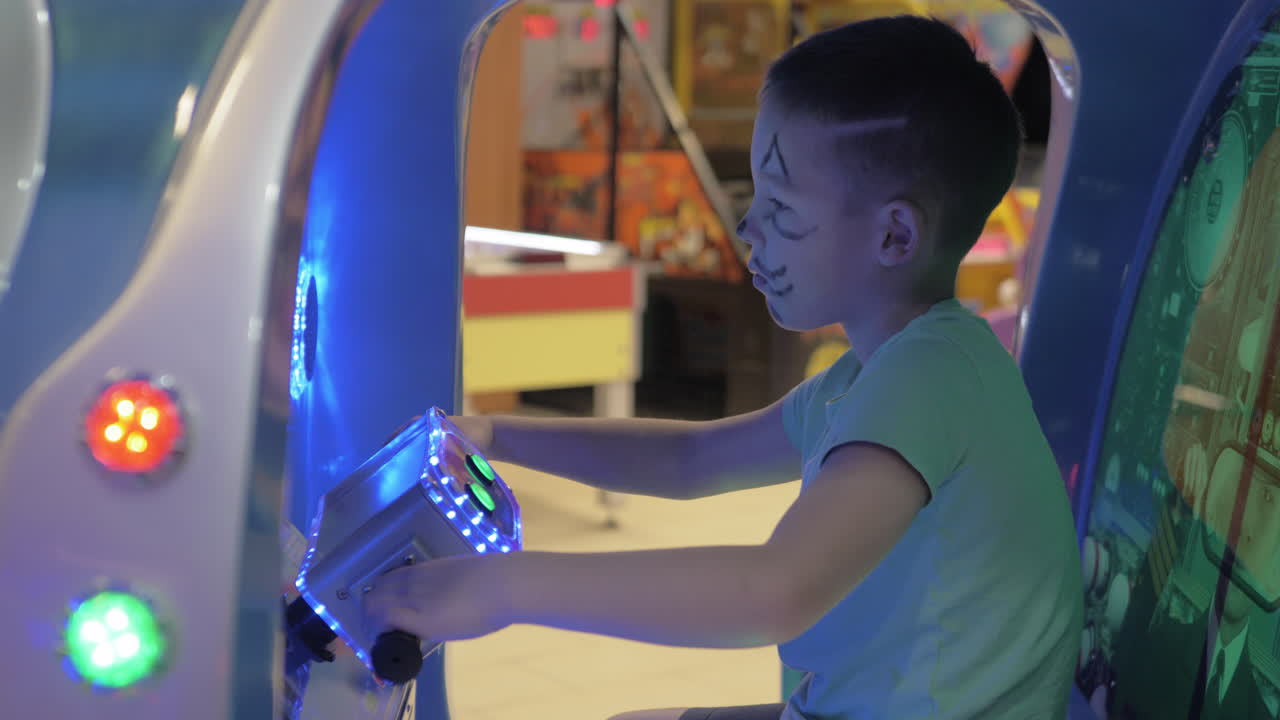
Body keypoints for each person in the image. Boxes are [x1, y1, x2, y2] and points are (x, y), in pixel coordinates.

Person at [365, 16, 1083, 719]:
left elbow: (773, 590)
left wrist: (505, 589)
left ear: (894, 234)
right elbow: (694, 458)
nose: (748, 229)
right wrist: (494, 437)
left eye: (780, 206)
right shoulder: (874, 376)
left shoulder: (929, 378)